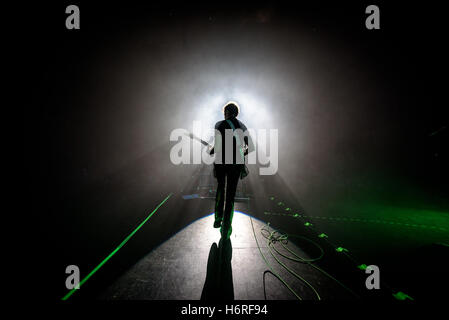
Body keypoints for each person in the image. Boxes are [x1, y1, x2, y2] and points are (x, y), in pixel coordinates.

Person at [208, 102, 254, 239]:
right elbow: (250, 147)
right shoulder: (242, 126)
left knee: (221, 189)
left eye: (225, 112)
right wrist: (240, 153)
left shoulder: (219, 125)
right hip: (236, 164)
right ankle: (227, 226)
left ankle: (218, 219)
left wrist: (210, 150)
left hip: (222, 163)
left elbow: (217, 147)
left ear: (227, 112)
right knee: (231, 195)